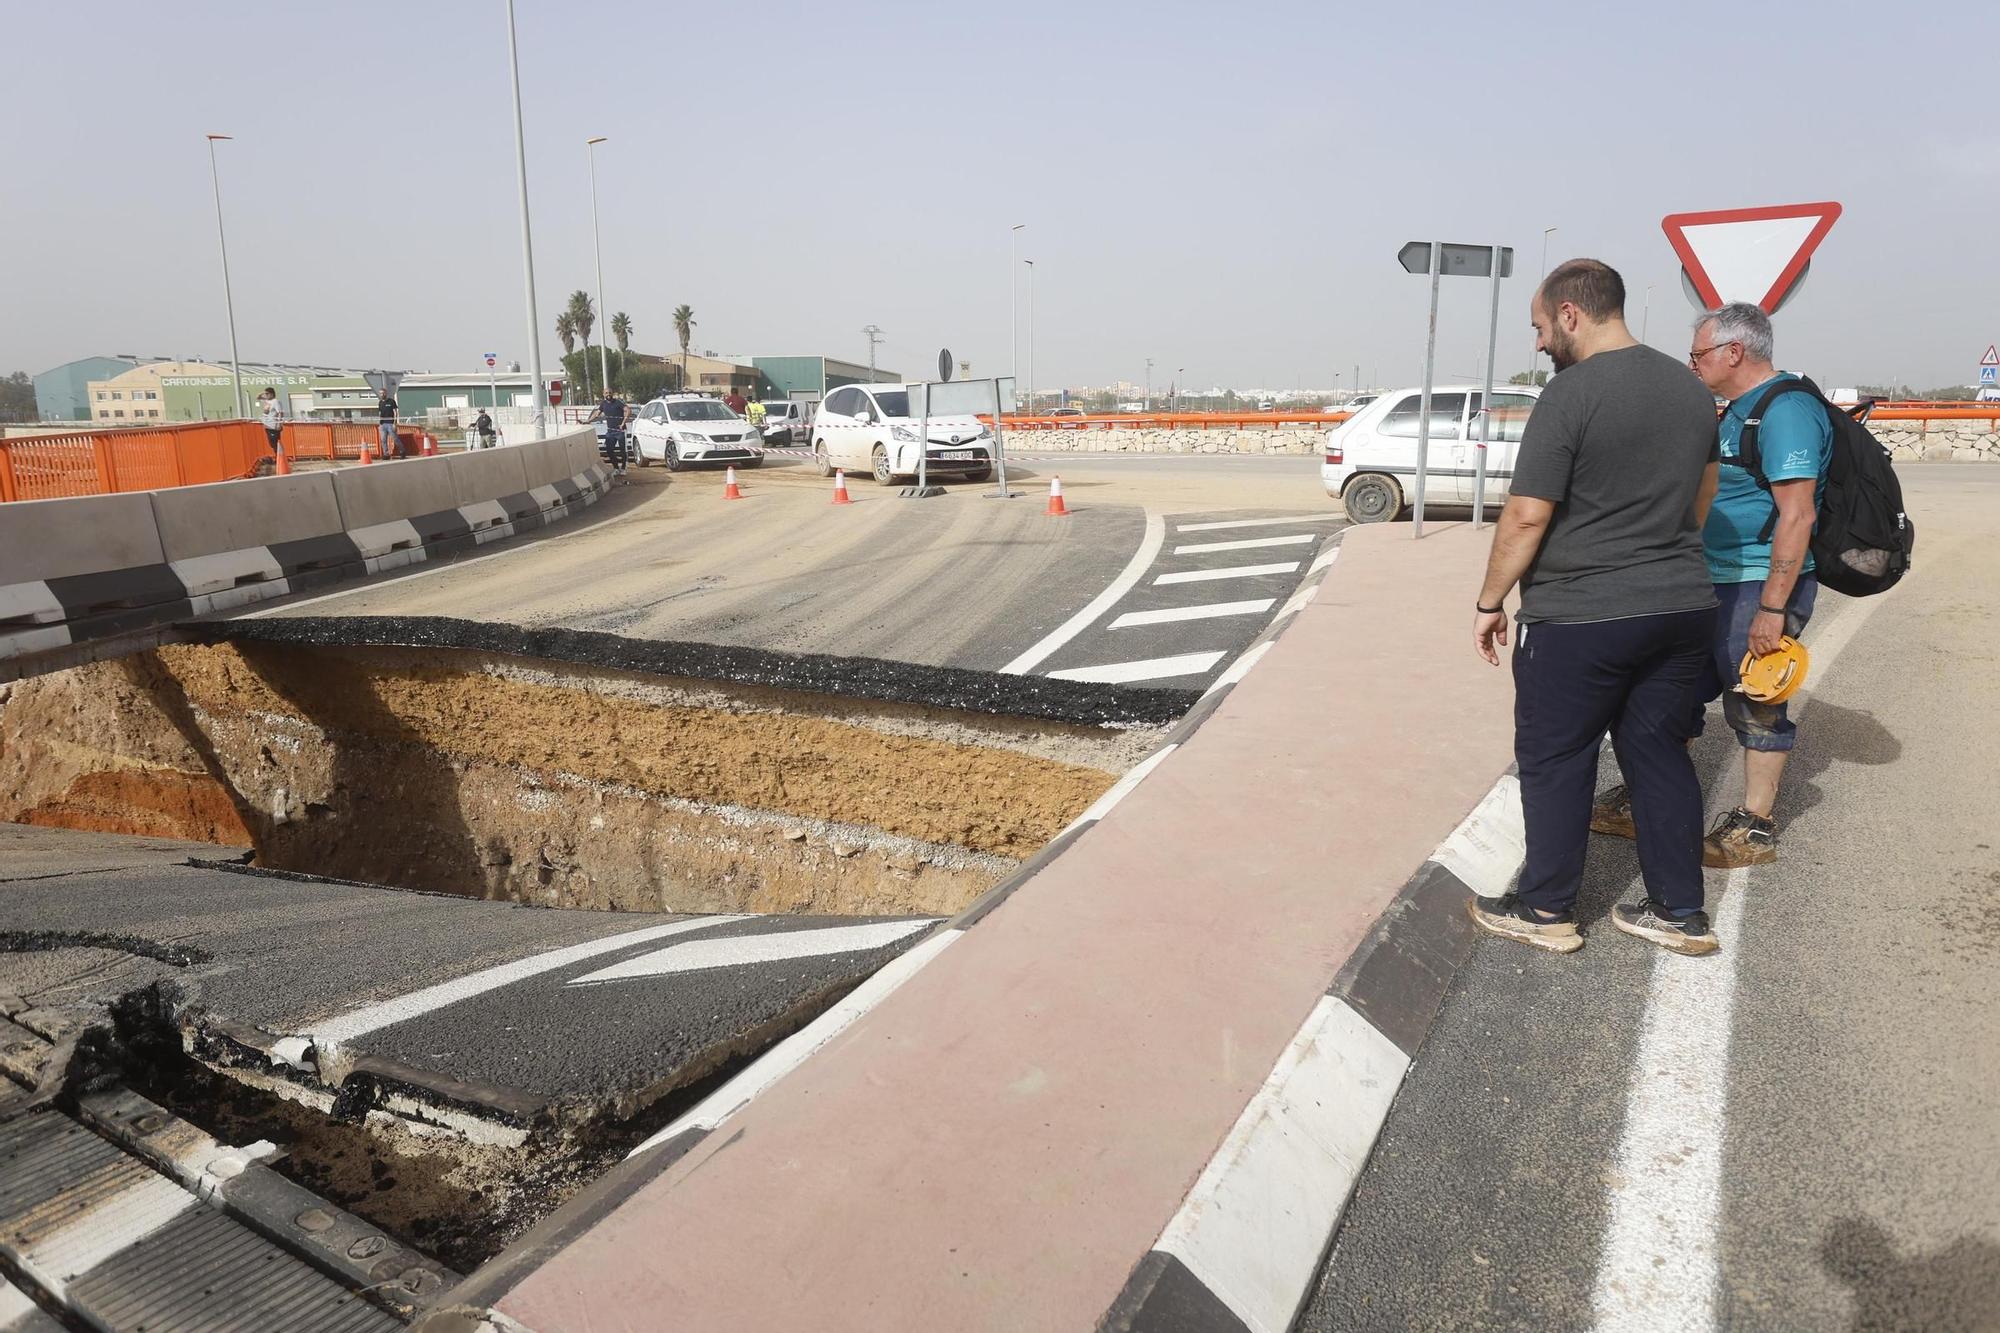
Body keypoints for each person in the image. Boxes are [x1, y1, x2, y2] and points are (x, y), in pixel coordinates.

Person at [1467, 258, 1724, 957]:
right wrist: (1660, 551)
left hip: (1580, 615)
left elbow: (1526, 514)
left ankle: (1545, 908)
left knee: (1556, 756)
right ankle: (1679, 912)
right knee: (1658, 751)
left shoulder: (1569, 394)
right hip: (1681, 605)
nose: (1538, 342)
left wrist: (1490, 600)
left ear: (1571, 313)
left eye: (1540, 326)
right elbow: (1704, 493)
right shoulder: (1691, 389)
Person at [1592, 301, 1831, 867]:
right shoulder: (1737, 410)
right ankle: (1646, 799)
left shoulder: (1786, 411)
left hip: (1755, 584)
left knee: (1755, 698)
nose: (1692, 363)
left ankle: (1755, 827)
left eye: (1698, 354)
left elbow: (1797, 515)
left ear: (1734, 352)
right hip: (1709, 580)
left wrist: (1772, 608)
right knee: (1668, 691)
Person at [585, 391, 629, 479]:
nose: (608, 394)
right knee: (609, 450)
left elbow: (628, 410)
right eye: (606, 393)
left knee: (622, 451)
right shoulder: (603, 404)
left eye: (609, 393)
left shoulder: (618, 402)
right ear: (603, 394)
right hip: (610, 432)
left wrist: (623, 422)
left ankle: (623, 468)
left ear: (612, 393)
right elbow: (597, 413)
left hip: (620, 431)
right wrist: (588, 421)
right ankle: (616, 468)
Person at [257, 387, 284, 458]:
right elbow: (258, 397)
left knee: (275, 443)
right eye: (265, 394)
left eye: (267, 394)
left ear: (272, 394)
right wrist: (263, 392)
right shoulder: (267, 401)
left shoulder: (275, 401)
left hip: (273, 426)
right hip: (267, 425)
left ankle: (280, 457)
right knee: (271, 443)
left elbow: (280, 412)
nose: (266, 395)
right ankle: (278, 457)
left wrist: (279, 424)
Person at [376, 389, 400, 459]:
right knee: (383, 440)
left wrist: (395, 423)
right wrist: (380, 423)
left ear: (386, 393)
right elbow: (380, 413)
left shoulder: (391, 401)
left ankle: (402, 451)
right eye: (381, 393)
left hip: (390, 423)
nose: (382, 395)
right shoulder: (380, 402)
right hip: (383, 424)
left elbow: (395, 412)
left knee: (395, 438)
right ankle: (386, 454)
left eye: (383, 393)